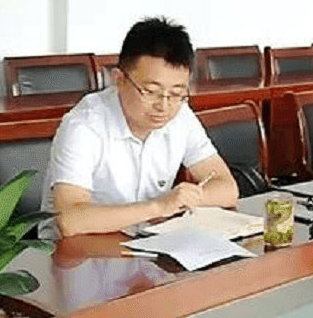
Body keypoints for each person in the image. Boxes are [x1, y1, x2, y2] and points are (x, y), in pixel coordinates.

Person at [47, 17, 237, 237]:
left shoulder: (181, 115)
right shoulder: (84, 126)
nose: (163, 105)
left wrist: (183, 199)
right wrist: (158, 207)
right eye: (150, 91)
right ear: (119, 79)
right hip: (80, 249)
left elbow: (227, 189)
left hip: (147, 243)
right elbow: (71, 220)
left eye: (176, 93)